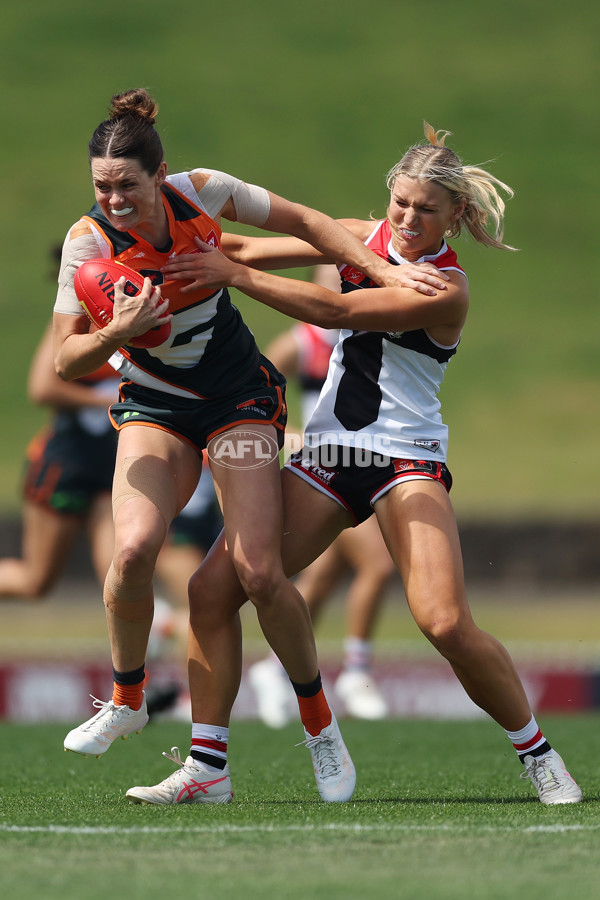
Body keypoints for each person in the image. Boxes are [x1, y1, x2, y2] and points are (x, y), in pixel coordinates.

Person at [125, 122, 582, 807]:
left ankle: (539, 755)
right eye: (399, 204)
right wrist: (160, 206)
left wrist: (234, 275)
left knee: (445, 623)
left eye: (426, 209)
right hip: (331, 455)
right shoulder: (358, 239)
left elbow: (336, 307)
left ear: (455, 214)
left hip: (405, 459)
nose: (407, 220)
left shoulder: (444, 288)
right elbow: (243, 243)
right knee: (211, 591)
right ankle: (207, 767)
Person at [54, 89, 445, 803]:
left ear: (159, 174)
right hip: (156, 405)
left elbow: (309, 224)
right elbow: (63, 363)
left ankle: (321, 729)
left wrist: (386, 271)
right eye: (102, 186)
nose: (113, 199)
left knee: (261, 572)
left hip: (237, 402)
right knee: (133, 551)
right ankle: (130, 699)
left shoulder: (202, 193)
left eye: (127, 185)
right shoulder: (87, 246)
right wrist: (118, 330)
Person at [249, 265, 395, 726]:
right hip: (325, 467)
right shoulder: (302, 341)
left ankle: (273, 670)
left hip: (369, 462)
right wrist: (289, 435)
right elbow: (255, 392)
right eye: (332, 281)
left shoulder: (373, 333)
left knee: (323, 579)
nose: (342, 289)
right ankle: (356, 672)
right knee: (378, 564)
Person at [0, 318, 118, 600]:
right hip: (65, 465)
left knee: (118, 573)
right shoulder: (70, 323)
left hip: (112, 468)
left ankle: (148, 638)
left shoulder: (143, 323)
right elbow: (42, 388)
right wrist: (109, 401)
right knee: (36, 581)